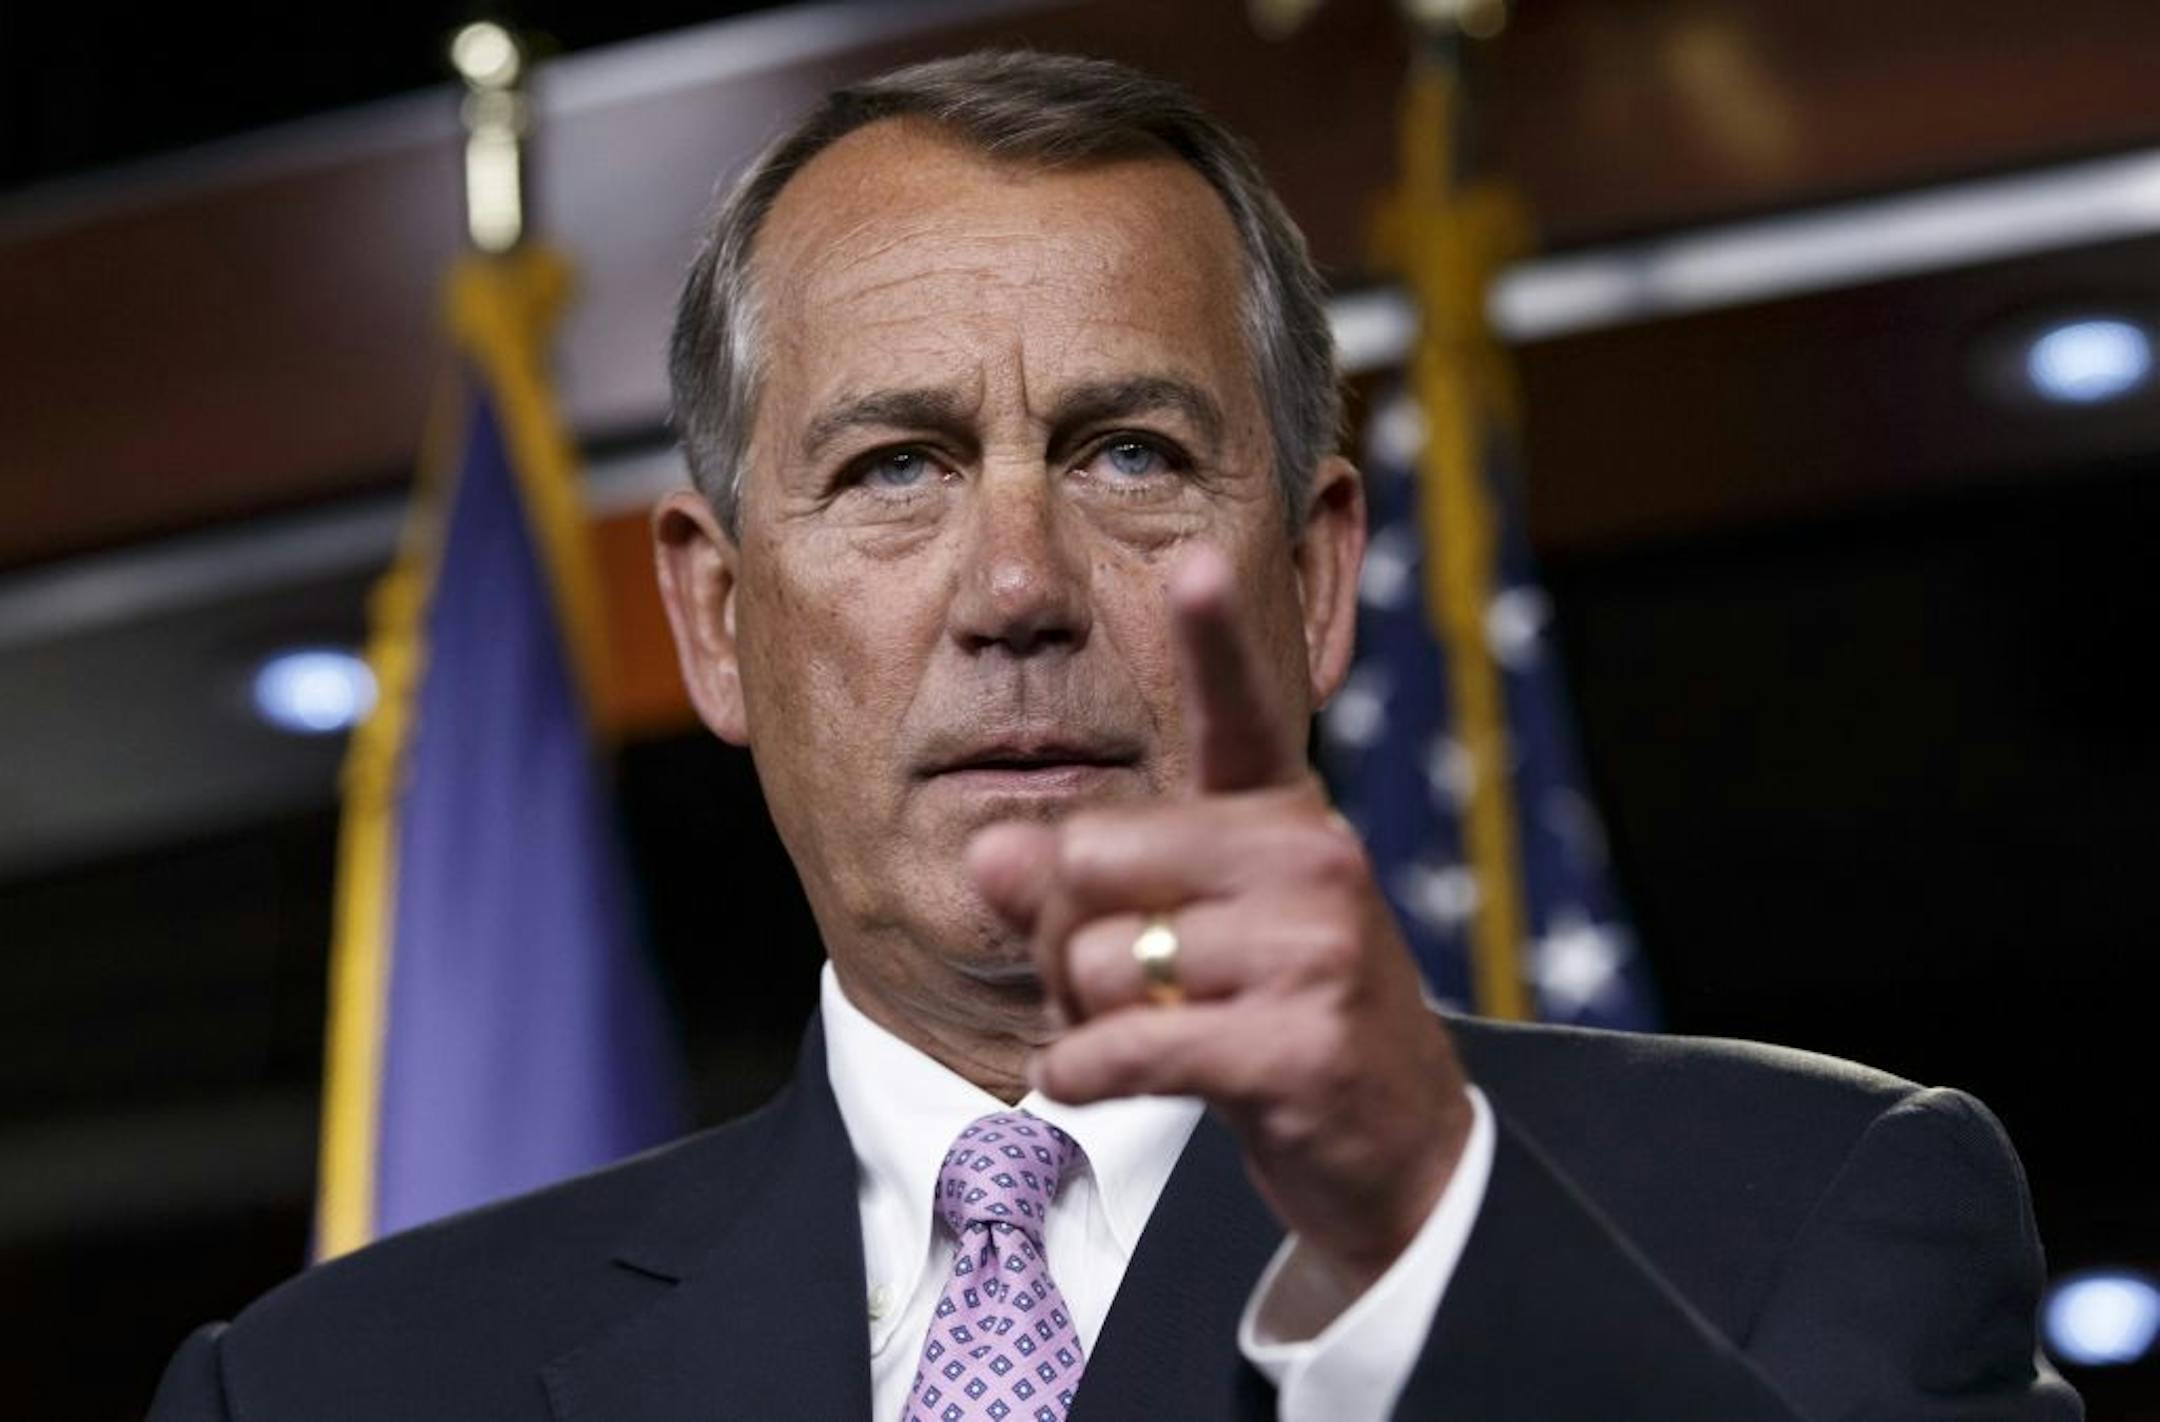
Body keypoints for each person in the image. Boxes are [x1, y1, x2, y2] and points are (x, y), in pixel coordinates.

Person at [149, 50, 2079, 1422]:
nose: (1016, 583)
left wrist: (1420, 1241)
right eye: (896, 467)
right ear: (718, 621)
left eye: (1129, 454)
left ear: (1320, 578)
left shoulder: (1819, 1211)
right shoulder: (330, 1385)